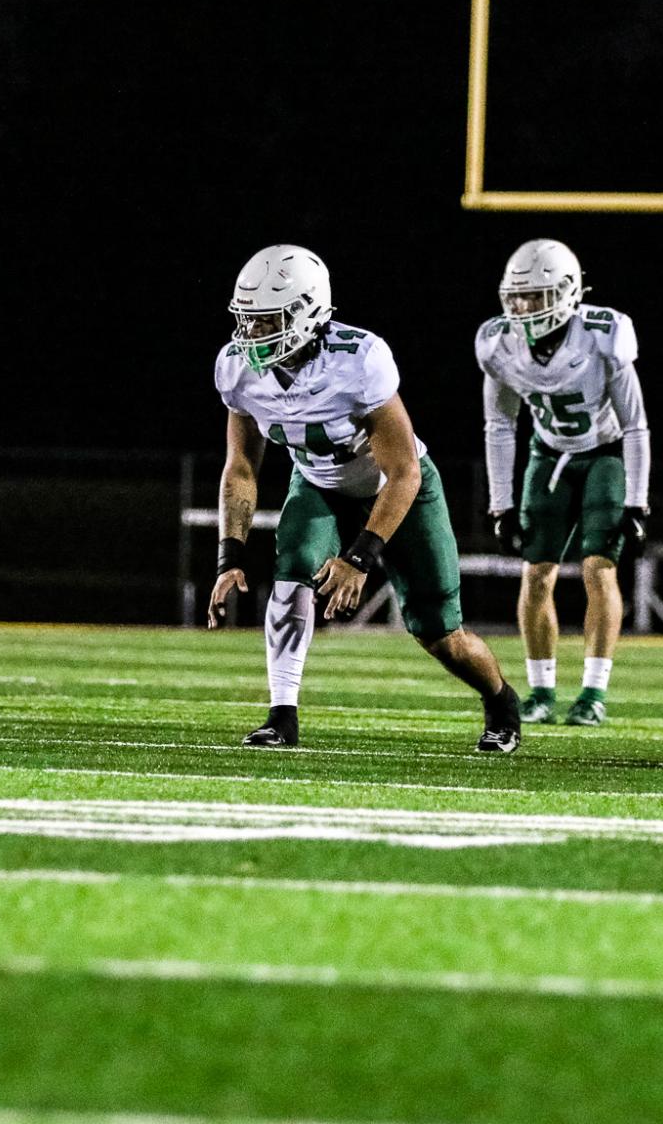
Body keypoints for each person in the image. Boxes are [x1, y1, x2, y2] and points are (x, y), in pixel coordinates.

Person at [208, 244, 524, 751]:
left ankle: (501, 701)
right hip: (317, 485)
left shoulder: (358, 360)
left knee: (441, 635)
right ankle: (281, 716)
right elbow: (241, 468)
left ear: (307, 312)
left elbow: (403, 473)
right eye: (248, 321)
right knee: (292, 570)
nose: (253, 335)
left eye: (268, 321)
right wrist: (231, 553)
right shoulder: (237, 369)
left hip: (396, 492)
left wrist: (360, 557)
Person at [476, 239, 650, 724]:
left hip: (603, 456)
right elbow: (500, 425)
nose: (523, 307)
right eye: (517, 296)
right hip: (547, 455)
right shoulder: (500, 344)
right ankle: (542, 691)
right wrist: (501, 504)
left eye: (535, 296)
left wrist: (637, 501)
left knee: (598, 569)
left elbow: (635, 424)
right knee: (536, 575)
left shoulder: (602, 334)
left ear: (567, 293)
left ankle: (593, 693)